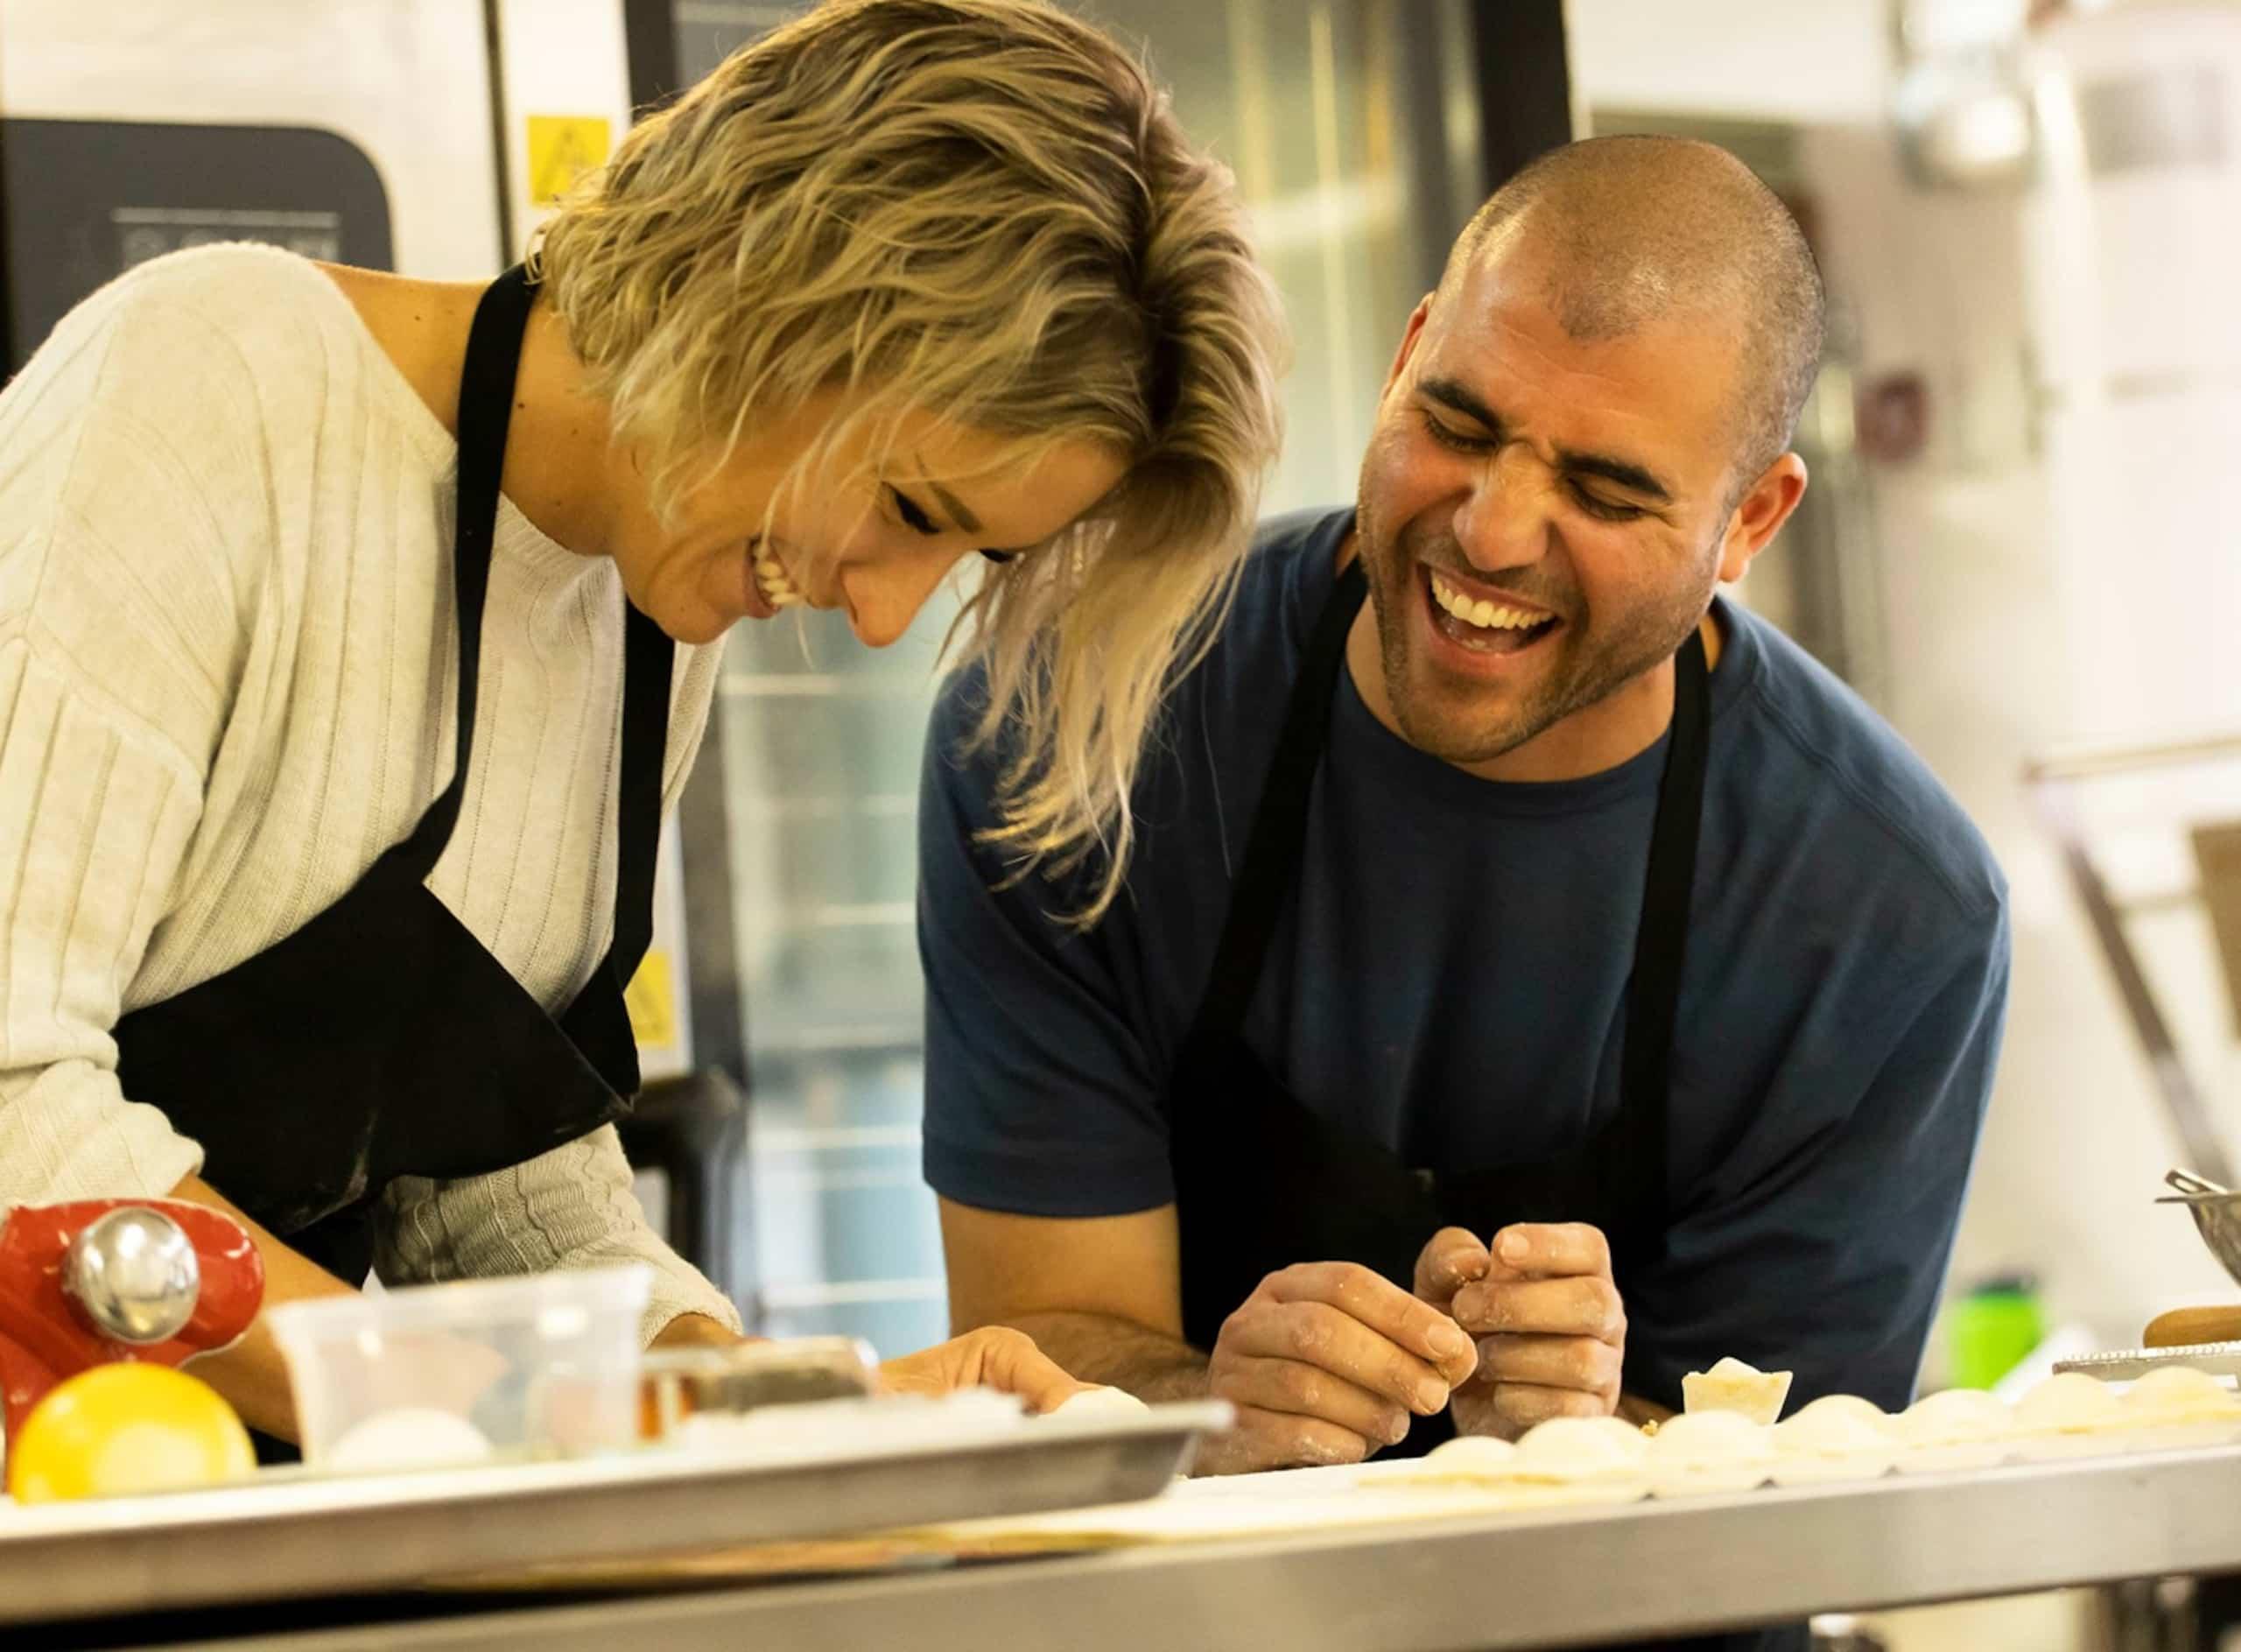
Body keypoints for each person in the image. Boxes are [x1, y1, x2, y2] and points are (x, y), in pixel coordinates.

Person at [0, 0, 1281, 1442]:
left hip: (189, 1487)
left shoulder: (645, 611)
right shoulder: (212, 392)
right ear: (774, 293)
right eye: (911, 509)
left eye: (965, 556)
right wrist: (477, 1400)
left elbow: (487, 1187)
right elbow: (9, 1100)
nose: (879, 616)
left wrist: (790, 1405)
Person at [923, 137, 2011, 1478]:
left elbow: (1793, 1492)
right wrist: (1209, 1406)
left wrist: (1588, 1436)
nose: (1493, 534)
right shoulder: (1079, 720)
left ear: (1751, 522)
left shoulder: (1883, 913)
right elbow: (1029, 1346)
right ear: (1406, 354)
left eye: (1607, 491)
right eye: (1459, 425)